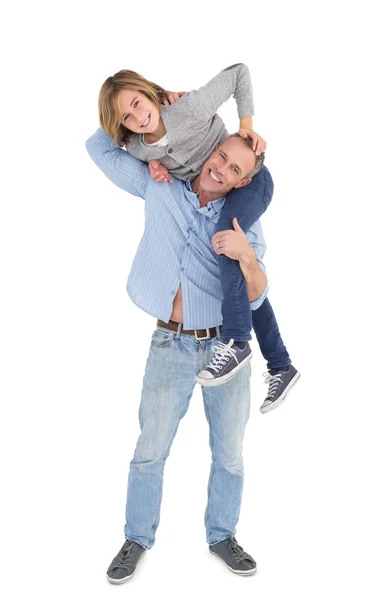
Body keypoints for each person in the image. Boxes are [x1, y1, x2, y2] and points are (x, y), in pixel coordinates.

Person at [86, 128, 269, 581]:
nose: (220, 168)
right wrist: (149, 121)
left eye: (234, 169)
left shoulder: (242, 219)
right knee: (150, 449)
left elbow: (259, 297)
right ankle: (136, 538)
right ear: (209, 149)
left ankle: (222, 536)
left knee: (229, 453)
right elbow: (98, 147)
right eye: (221, 155)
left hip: (225, 347)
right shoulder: (160, 186)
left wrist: (246, 256)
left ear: (242, 182)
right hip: (169, 343)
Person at [98, 63, 300, 413]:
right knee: (230, 251)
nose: (135, 116)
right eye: (125, 117)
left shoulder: (188, 110)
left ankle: (239, 342)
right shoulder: (139, 147)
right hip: (171, 332)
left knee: (229, 242)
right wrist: (150, 159)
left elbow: (239, 72)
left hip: (254, 179)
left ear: (148, 91)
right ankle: (280, 364)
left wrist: (245, 127)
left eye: (137, 103)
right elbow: (100, 143)